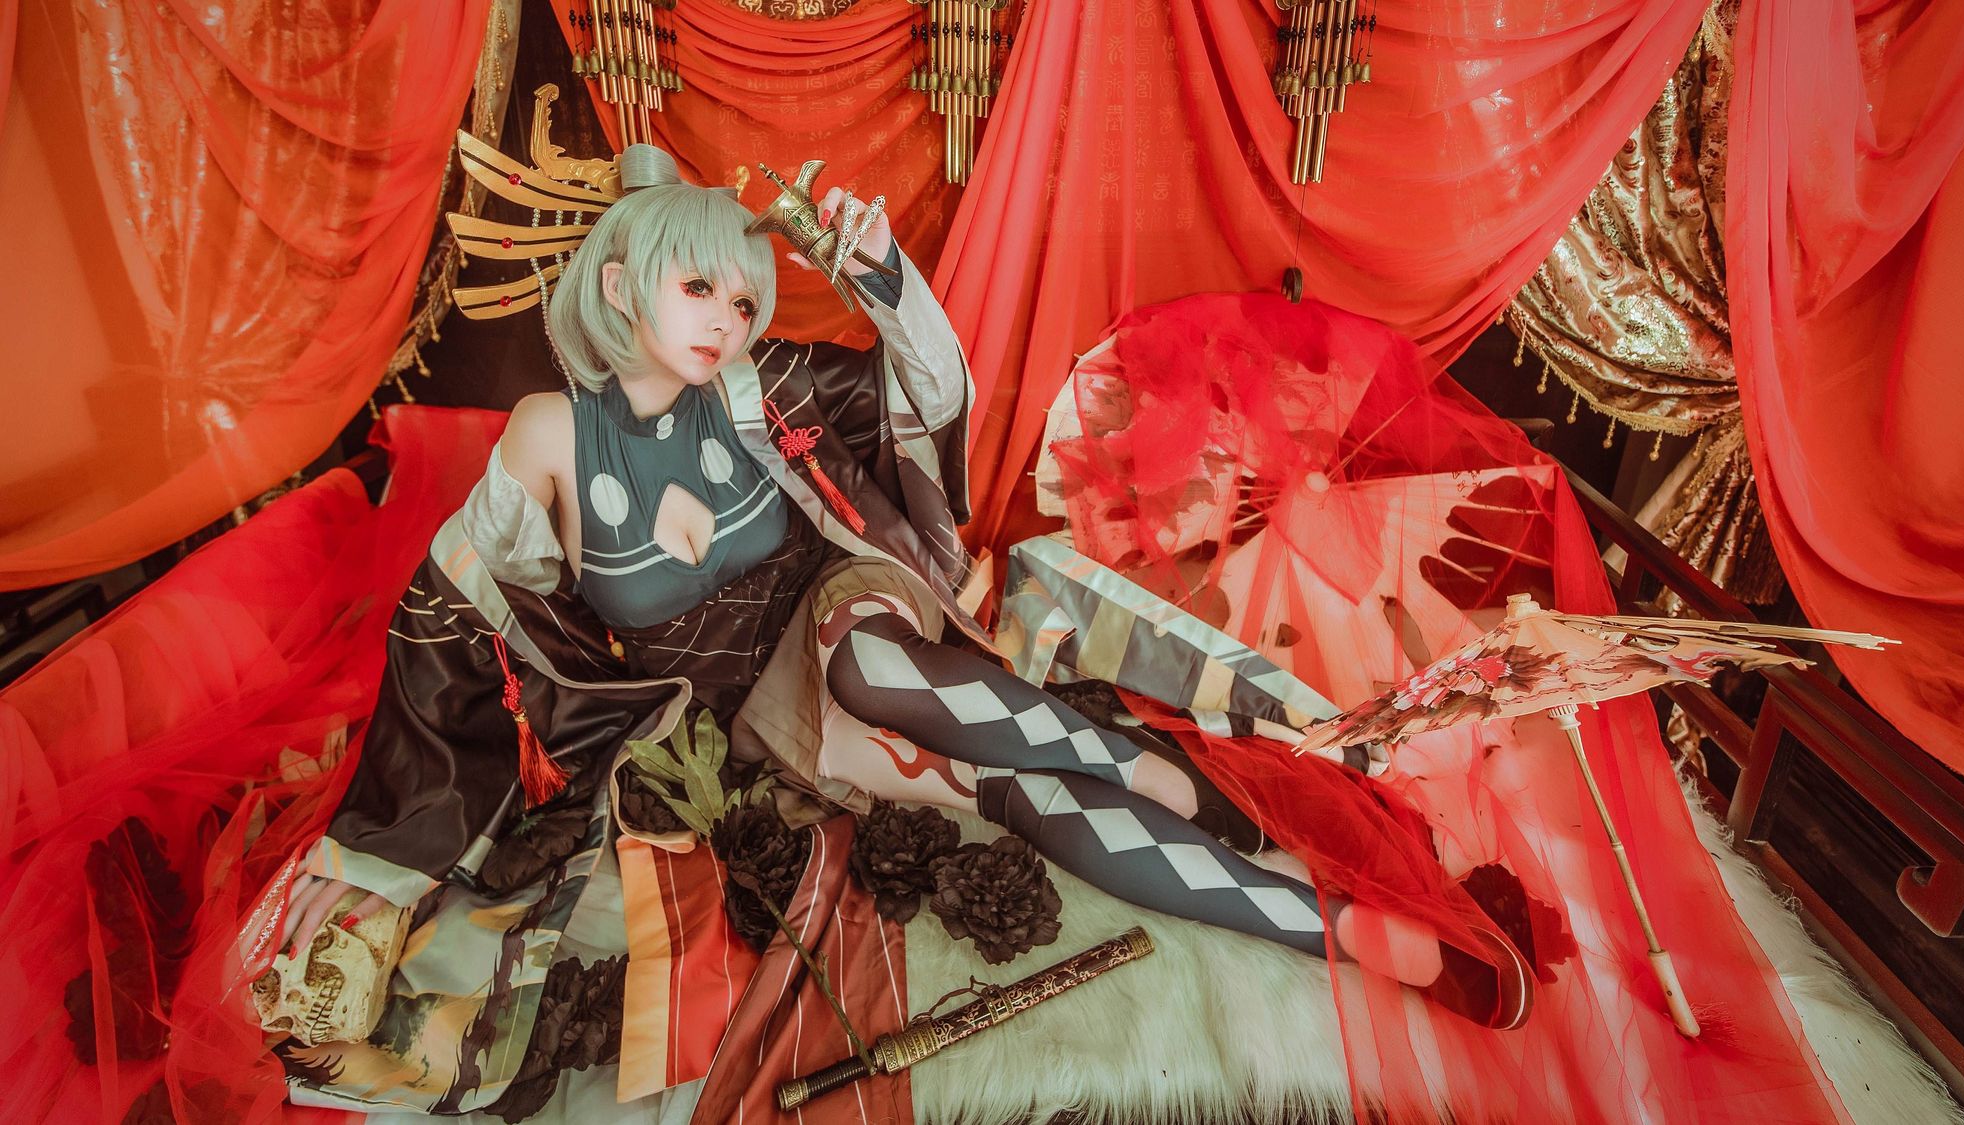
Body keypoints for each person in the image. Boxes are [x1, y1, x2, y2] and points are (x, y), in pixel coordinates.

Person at [256, 143, 1530, 1114]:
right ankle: (1347, 932)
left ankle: (1141, 763)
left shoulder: (752, 389)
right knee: (1008, 795)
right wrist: (395, 842)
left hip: (849, 605)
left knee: (870, 664)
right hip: (750, 716)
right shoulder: (549, 438)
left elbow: (929, 397)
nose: (726, 320)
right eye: (699, 287)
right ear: (618, 282)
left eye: (743, 297)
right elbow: (453, 619)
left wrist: (877, 277)